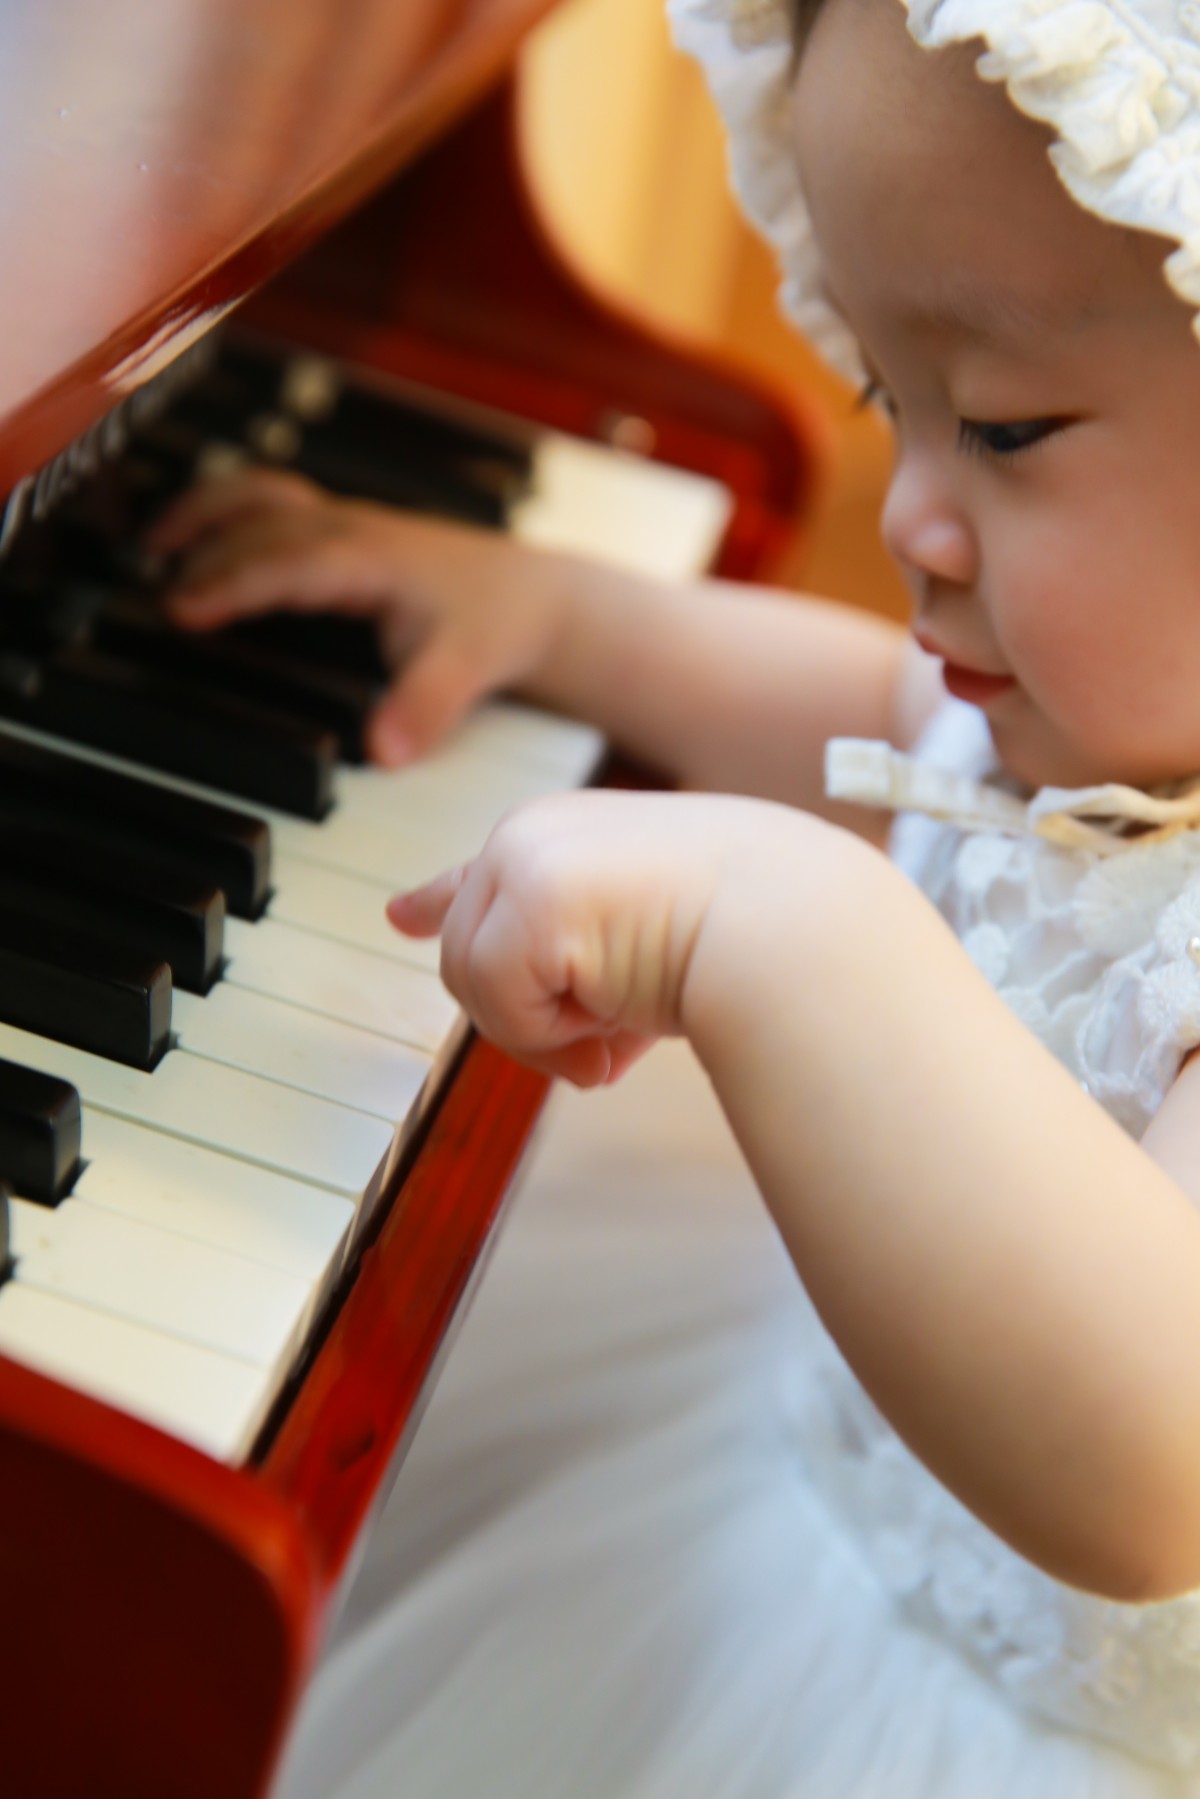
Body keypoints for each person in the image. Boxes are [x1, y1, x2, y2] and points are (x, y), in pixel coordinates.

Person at [152, 0, 1200, 1791]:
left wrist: (783, 925)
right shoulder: (1098, 726)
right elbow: (870, 724)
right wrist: (561, 615)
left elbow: (1148, 1461)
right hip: (794, 1496)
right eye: (894, 400)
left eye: (1008, 430)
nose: (911, 518)